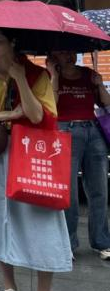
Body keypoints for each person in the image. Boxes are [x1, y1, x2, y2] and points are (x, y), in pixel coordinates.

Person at [0, 28, 71, 291]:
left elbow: (38, 115)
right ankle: (9, 288)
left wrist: (20, 79)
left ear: (13, 42)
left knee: (40, 221)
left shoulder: (37, 75)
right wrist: (9, 114)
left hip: (31, 156)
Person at [46, 50, 110, 260]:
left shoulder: (88, 74)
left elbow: (106, 104)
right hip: (65, 132)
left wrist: (100, 84)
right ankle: (68, 244)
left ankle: (102, 242)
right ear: (53, 55)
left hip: (93, 131)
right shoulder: (48, 76)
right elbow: (50, 108)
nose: (69, 56)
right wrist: (54, 76)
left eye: (72, 52)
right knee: (69, 193)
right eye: (63, 52)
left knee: (99, 189)